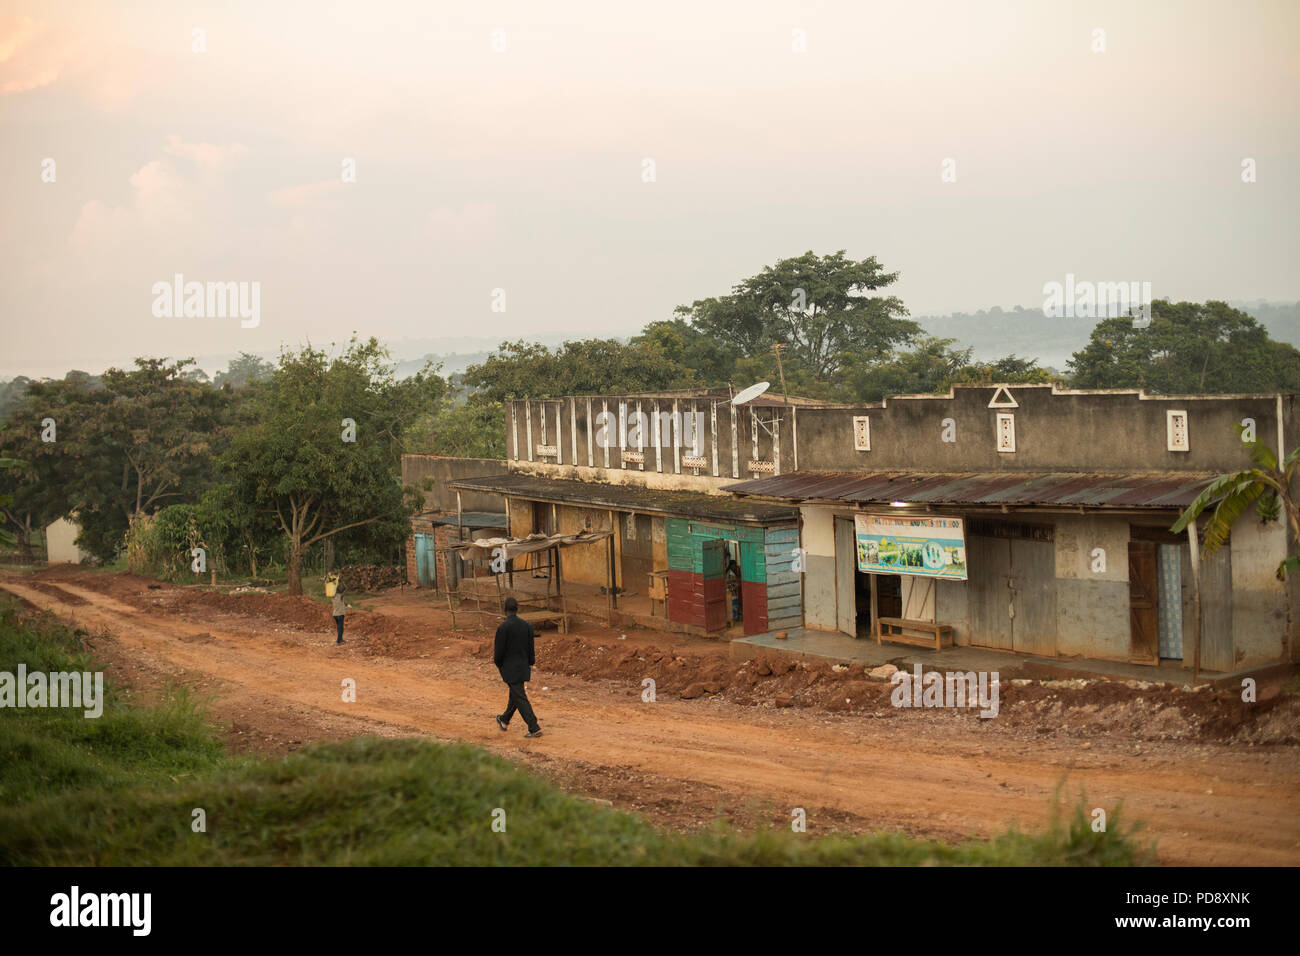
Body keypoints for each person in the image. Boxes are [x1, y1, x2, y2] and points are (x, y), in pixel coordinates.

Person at [494, 596, 542, 737]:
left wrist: (500, 665)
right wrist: (530, 662)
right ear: (517, 609)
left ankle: (534, 727)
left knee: (520, 697)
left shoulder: (503, 627)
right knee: (516, 694)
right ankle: (504, 720)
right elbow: (530, 647)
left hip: (510, 668)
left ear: (505, 610)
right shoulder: (526, 625)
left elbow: (498, 652)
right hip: (523, 666)